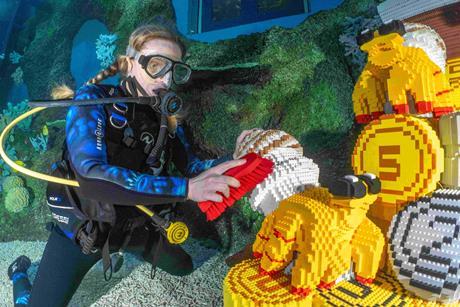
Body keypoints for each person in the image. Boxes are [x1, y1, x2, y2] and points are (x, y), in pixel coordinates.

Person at [7, 22, 254, 306]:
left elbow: (194, 169)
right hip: (85, 230)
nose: (166, 79)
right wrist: (186, 189)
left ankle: (124, 249)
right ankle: (18, 275)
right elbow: (93, 177)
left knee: (184, 267)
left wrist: (232, 161)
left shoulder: (167, 120)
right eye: (157, 65)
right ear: (130, 63)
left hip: (135, 226)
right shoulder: (93, 101)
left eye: (175, 71)